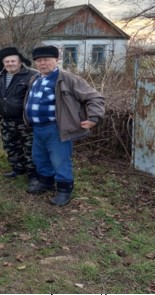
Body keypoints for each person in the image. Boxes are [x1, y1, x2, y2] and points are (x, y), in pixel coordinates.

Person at [24, 45, 105, 206]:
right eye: (39, 61)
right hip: (38, 128)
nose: (42, 63)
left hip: (56, 128)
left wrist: (94, 117)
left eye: (46, 60)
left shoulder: (67, 78)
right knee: (39, 158)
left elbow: (95, 97)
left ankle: (64, 190)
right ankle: (45, 183)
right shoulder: (36, 78)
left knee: (60, 160)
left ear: (56, 60)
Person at [0, 47, 38, 187]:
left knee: (30, 148)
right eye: (7, 61)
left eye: (13, 61)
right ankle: (17, 169)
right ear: (3, 63)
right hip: (6, 120)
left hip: (26, 121)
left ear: (20, 62)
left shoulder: (33, 75)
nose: (10, 64)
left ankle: (33, 175)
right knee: (11, 146)